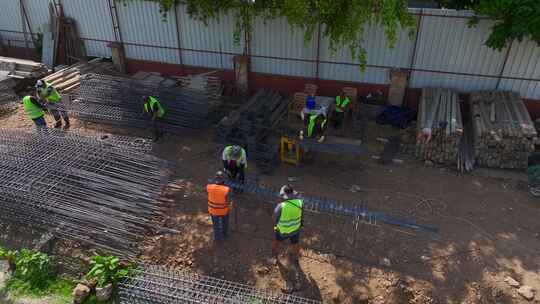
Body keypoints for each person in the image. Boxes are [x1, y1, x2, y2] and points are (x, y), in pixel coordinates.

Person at [272, 185, 303, 265]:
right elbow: (302, 215)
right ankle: (296, 258)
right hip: (295, 230)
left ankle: (275, 255)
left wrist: (276, 226)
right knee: (295, 244)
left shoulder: (281, 206)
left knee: (277, 242)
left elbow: (274, 218)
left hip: (282, 231)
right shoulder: (300, 202)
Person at [206, 171, 233, 241]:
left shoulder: (208, 187)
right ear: (224, 180)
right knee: (225, 223)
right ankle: (225, 233)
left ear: (215, 179)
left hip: (212, 210)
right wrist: (230, 207)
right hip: (223, 211)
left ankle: (217, 238)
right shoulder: (226, 190)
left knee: (216, 225)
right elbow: (229, 201)